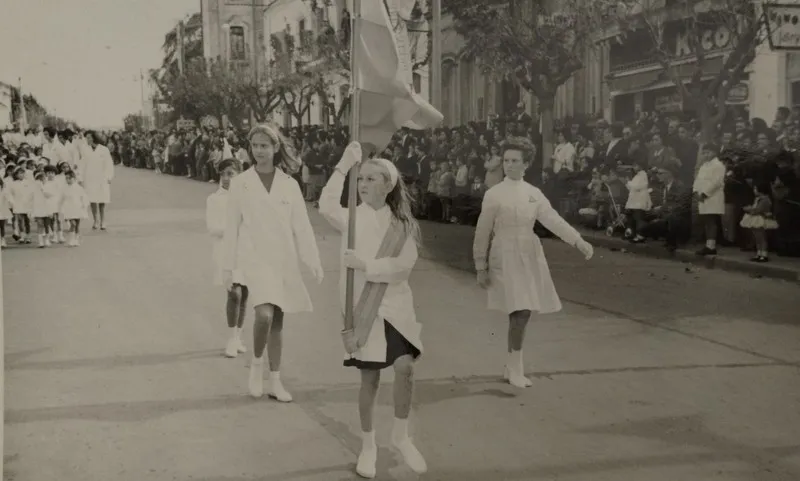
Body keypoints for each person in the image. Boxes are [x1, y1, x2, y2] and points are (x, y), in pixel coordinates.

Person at [319, 142, 427, 478]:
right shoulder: (351, 216)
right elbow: (324, 204)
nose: (363, 184)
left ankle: (401, 435)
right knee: (370, 378)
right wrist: (343, 164)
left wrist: (366, 264)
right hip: (362, 308)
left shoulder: (403, 224)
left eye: (370, 179)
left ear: (388, 185)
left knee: (405, 367)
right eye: (360, 179)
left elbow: (403, 266)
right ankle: (368, 447)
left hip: (394, 304)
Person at [472, 137, 594, 389]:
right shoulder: (494, 194)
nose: (509, 165)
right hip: (503, 254)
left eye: (515, 161)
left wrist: (578, 241)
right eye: (506, 160)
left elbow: (553, 220)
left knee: (522, 309)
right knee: (520, 309)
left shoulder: (533, 193)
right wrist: (480, 266)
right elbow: (482, 232)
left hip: (528, 253)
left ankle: (512, 365)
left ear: (526, 164)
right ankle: (515, 368)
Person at [222, 124, 324, 402]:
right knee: (264, 315)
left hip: (283, 258)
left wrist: (312, 260)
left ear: (276, 148)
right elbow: (231, 227)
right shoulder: (241, 182)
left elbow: (302, 227)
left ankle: (275, 381)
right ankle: (256, 369)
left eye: (264, 145)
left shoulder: (289, 185)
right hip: (254, 258)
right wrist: (227, 268)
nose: (259, 151)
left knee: (277, 322)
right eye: (254, 145)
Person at [207, 158, 249, 358]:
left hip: (247, 251)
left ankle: (238, 337)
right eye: (223, 174)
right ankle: (231, 339)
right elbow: (213, 228)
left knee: (245, 294)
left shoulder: (247, 197)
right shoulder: (215, 199)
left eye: (230, 174)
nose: (226, 178)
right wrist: (235, 228)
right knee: (235, 293)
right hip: (225, 251)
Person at [82, 131, 115, 231]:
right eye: (86, 138)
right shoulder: (85, 150)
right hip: (90, 177)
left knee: (102, 200)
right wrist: (80, 177)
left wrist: (109, 177)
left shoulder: (104, 149)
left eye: (88, 138)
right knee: (92, 200)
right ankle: (95, 220)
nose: (87, 140)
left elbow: (109, 164)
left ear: (93, 138)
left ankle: (103, 221)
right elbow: (82, 164)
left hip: (102, 178)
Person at [60, 170, 88, 246]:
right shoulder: (64, 188)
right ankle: (71, 240)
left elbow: (83, 197)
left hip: (77, 208)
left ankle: (76, 239)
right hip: (69, 208)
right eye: (66, 178)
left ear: (74, 178)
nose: (68, 180)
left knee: (77, 225)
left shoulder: (79, 188)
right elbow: (61, 198)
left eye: (69, 178)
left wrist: (84, 205)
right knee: (73, 224)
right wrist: (61, 208)